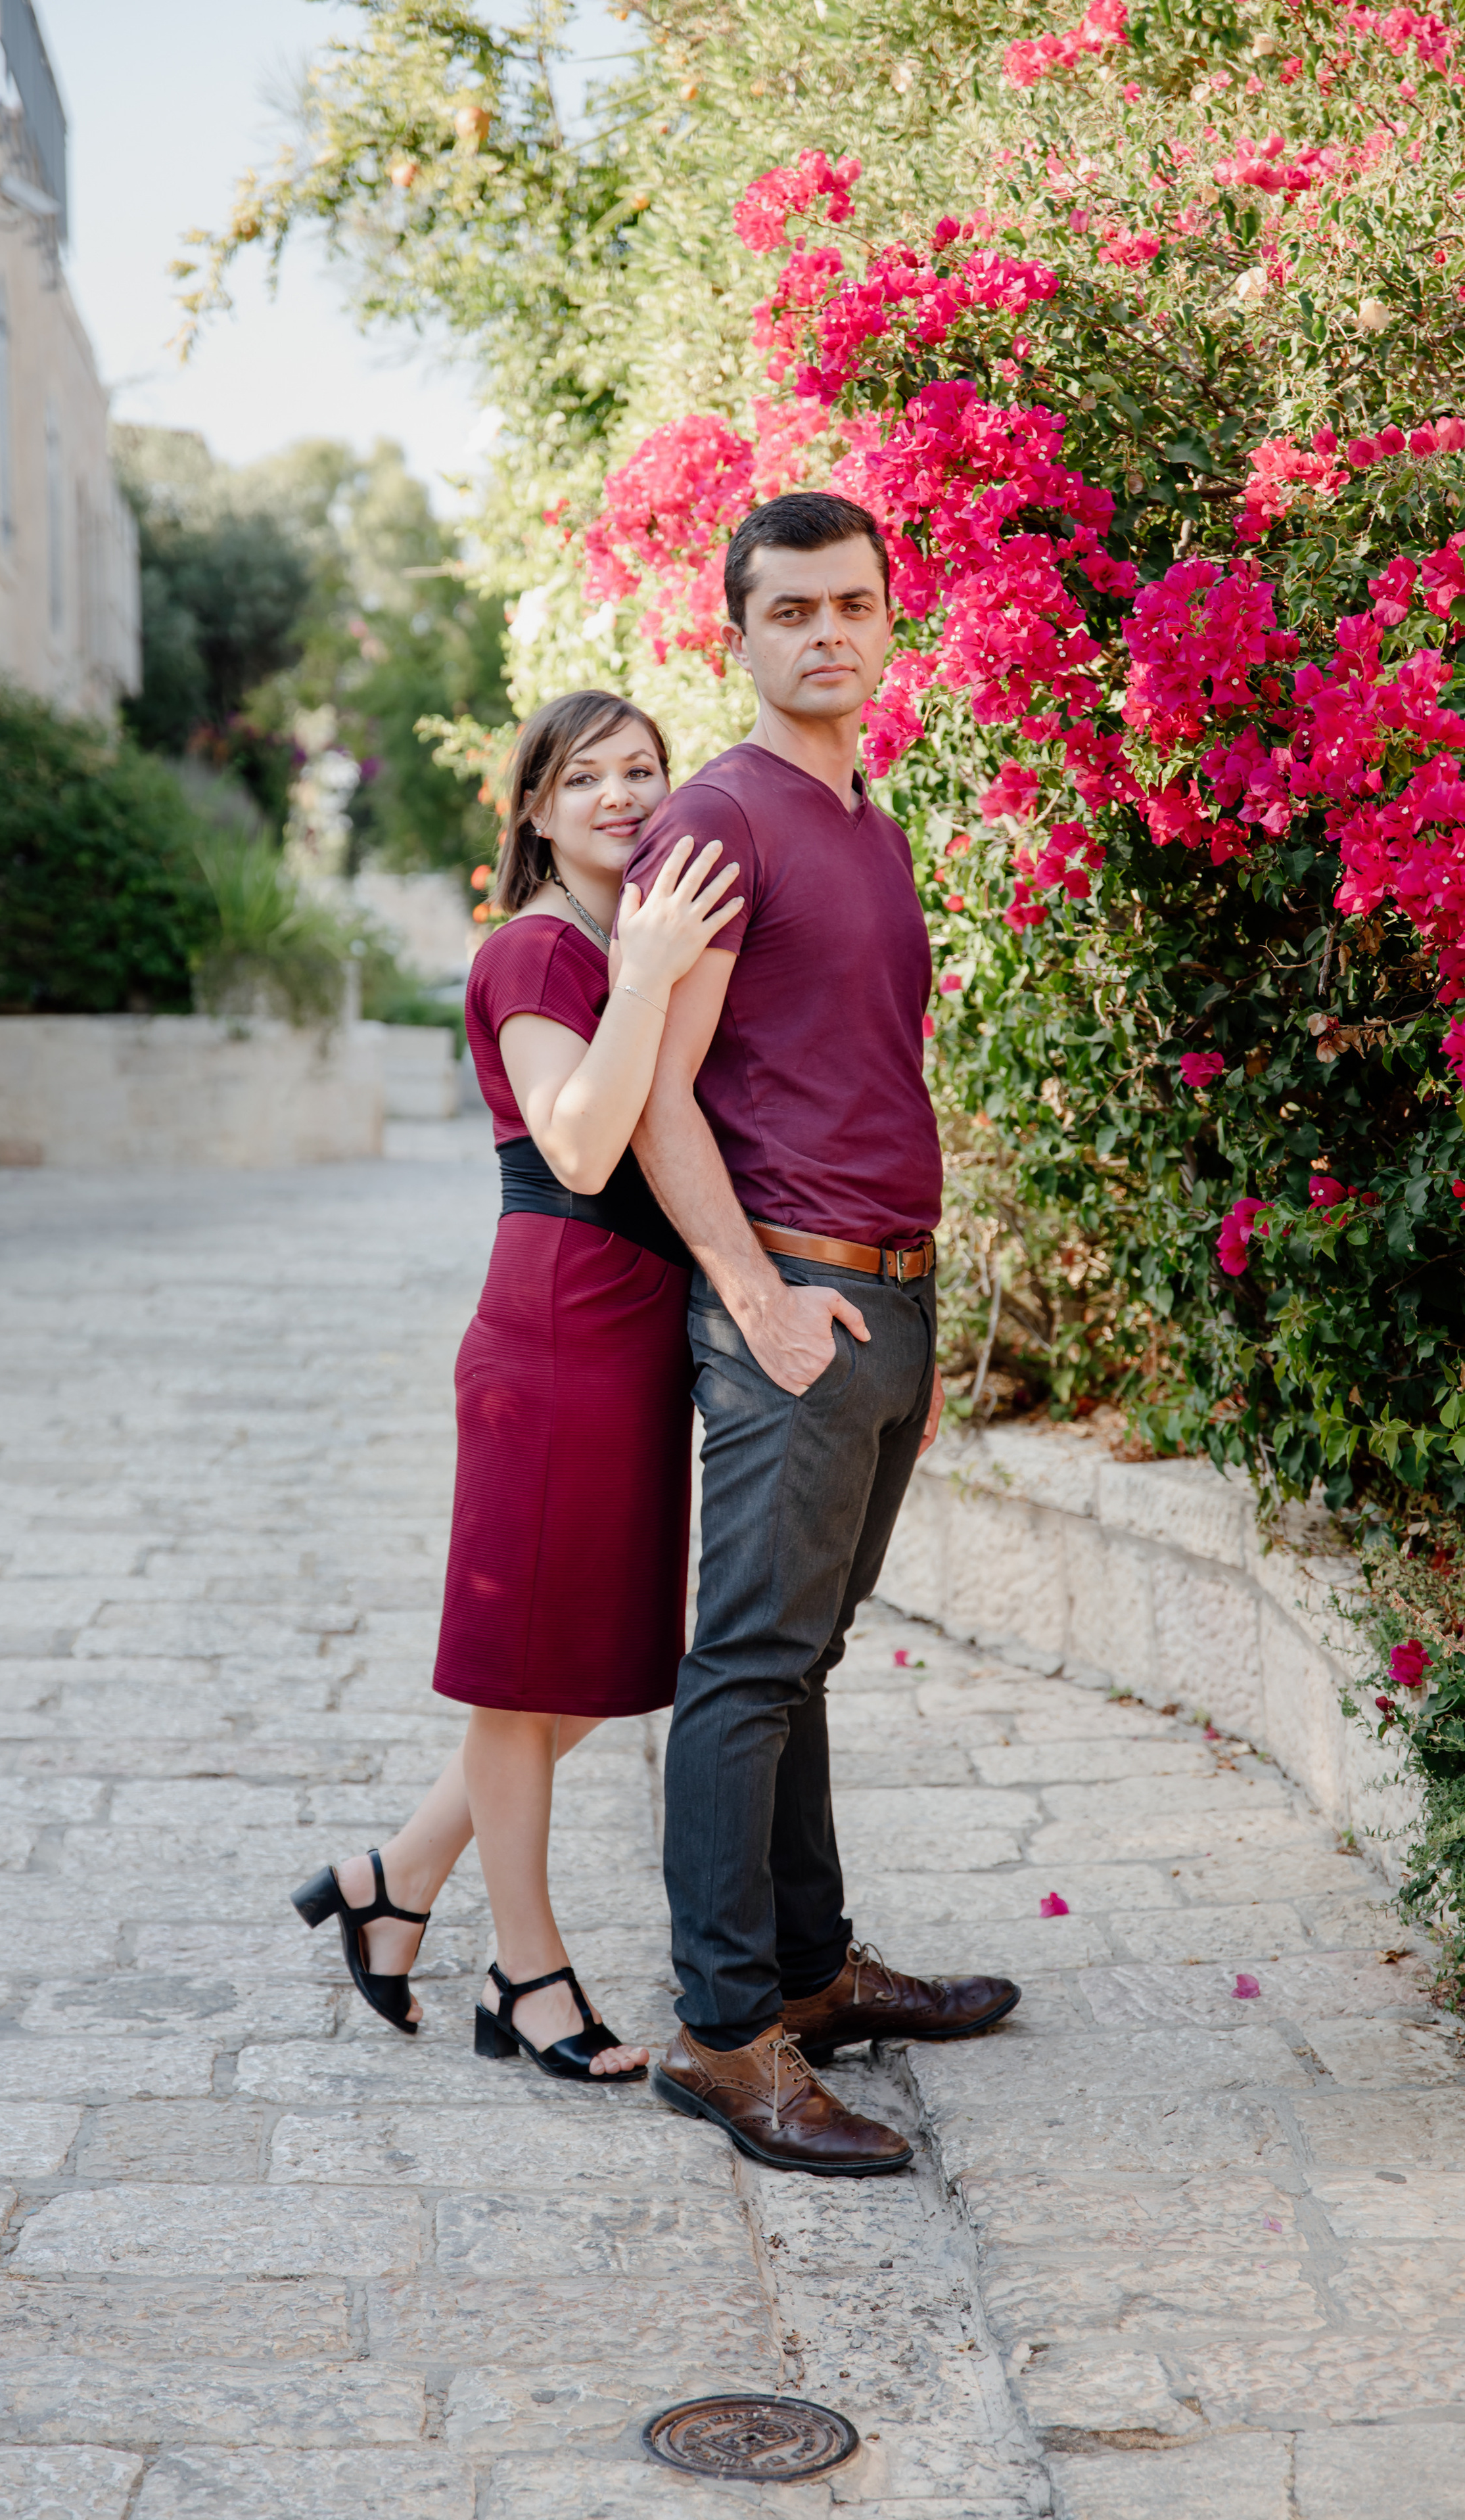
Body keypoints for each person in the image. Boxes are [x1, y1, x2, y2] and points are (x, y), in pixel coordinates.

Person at [623, 490, 1022, 2174]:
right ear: (739, 633)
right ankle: (727, 2037)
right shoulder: (721, 823)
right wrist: (755, 1294)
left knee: (807, 1658)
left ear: (885, 619)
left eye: (851, 604)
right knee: (746, 1667)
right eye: (789, 610)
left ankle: (809, 1969)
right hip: (790, 1292)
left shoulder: (864, 814)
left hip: (887, 1292)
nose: (826, 633)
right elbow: (651, 1091)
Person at [294, 689, 739, 2084]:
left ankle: (394, 1877)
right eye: (587, 775)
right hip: (555, 1336)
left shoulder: (611, 943)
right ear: (534, 810)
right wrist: (658, 969)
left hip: (617, 1337)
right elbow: (585, 1144)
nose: (623, 793)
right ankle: (525, 1974)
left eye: (644, 770)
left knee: (591, 1667)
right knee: (523, 1674)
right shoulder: (540, 953)